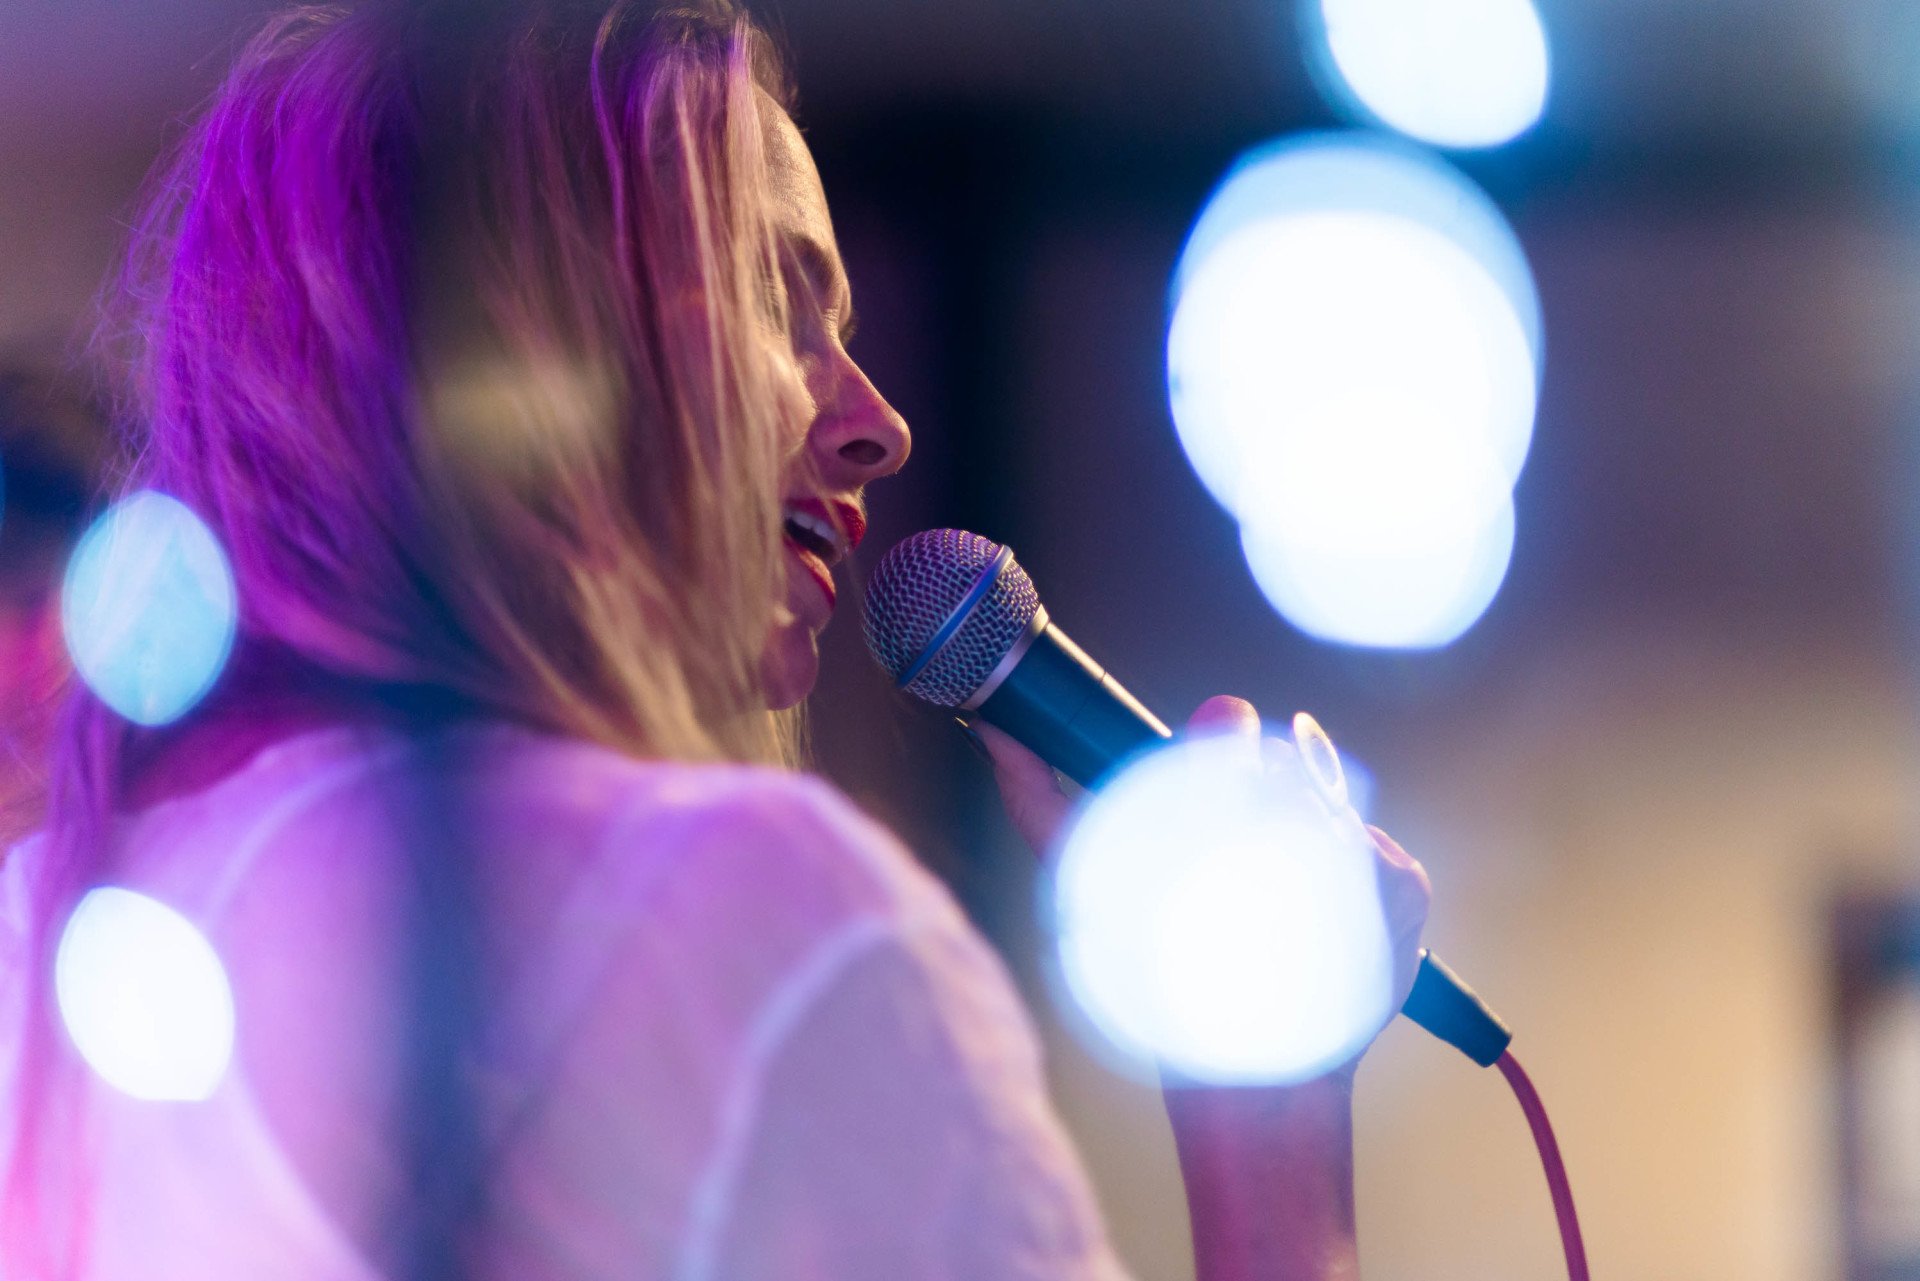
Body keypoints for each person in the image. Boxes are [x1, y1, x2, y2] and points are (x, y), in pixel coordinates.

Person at [0, 2, 1430, 1277]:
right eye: (772, 292)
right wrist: (1271, 1128)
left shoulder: (44, 948)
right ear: (537, 346)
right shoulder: (747, 910)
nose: (879, 422)